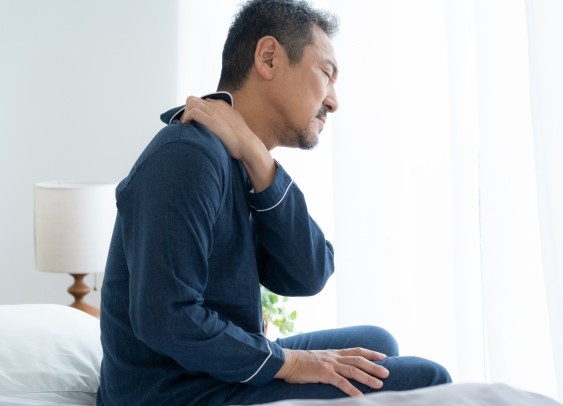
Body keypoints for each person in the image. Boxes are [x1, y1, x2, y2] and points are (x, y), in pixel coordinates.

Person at [97, 0, 451, 405]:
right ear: (268, 58)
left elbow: (308, 273)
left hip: (210, 375)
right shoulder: (186, 155)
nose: (334, 101)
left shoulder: (241, 161)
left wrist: (258, 157)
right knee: (429, 378)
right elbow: (166, 317)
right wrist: (292, 364)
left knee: (377, 343)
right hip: (175, 392)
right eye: (327, 74)